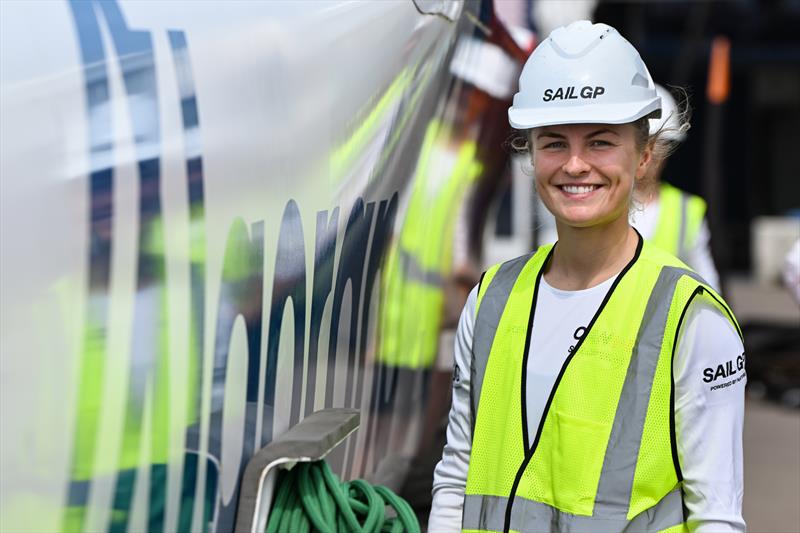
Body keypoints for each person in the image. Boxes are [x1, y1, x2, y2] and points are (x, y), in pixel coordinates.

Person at [429, 20, 746, 533]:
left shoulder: (691, 316)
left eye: (600, 142)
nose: (575, 164)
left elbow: (717, 517)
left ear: (643, 156)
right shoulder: (490, 299)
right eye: (554, 143)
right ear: (531, 154)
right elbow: (457, 476)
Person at [632, 84, 720, 290]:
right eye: (643, 144)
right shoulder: (599, 200)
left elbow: (708, 284)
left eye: (658, 145)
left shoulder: (686, 208)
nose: (650, 156)